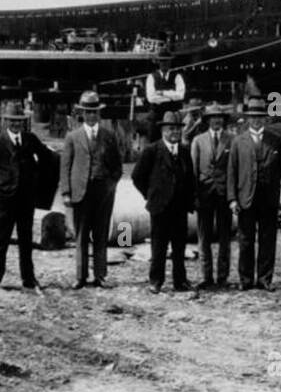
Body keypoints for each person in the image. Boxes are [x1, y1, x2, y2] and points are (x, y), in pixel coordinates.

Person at [0, 102, 51, 291]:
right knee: (0, 239)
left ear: (24, 123)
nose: (16, 125)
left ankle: (28, 278)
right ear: (6, 122)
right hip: (4, 201)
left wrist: (38, 182)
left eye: (19, 121)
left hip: (26, 200)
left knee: (26, 240)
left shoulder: (30, 139)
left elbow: (46, 157)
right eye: (12, 121)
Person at [59, 91, 123, 290]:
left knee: (101, 234)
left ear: (99, 114)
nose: (92, 116)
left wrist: (111, 185)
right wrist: (66, 192)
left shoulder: (109, 136)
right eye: (88, 112)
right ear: (82, 114)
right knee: (81, 235)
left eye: (95, 112)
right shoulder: (73, 136)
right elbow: (65, 166)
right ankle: (80, 276)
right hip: (81, 192)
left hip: (103, 193)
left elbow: (117, 166)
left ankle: (100, 275)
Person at [227, 96, 281, 290]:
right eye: (253, 117)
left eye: (260, 117)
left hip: (268, 199)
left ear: (265, 119)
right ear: (247, 119)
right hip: (246, 198)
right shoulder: (238, 141)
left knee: (267, 240)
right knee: (245, 240)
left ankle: (264, 279)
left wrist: (276, 191)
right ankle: (245, 279)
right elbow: (232, 172)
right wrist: (232, 199)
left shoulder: (275, 140)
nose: (256, 120)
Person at [131, 111, 194, 294]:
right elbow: (137, 176)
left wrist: (189, 200)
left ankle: (180, 281)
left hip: (180, 207)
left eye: (177, 129)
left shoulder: (184, 151)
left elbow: (190, 178)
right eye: (170, 129)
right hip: (159, 207)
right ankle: (156, 280)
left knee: (179, 246)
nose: (174, 132)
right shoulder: (152, 150)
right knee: (158, 245)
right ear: (163, 131)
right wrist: (150, 195)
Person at [189, 102, 233, 291]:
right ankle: (205, 276)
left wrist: (233, 196)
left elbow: (234, 169)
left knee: (225, 237)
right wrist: (195, 195)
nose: (216, 121)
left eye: (220, 118)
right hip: (204, 194)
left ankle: (223, 277)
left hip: (224, 194)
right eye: (213, 118)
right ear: (207, 121)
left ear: (223, 120)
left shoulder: (232, 140)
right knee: (203, 236)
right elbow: (193, 170)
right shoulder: (198, 141)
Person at [144, 53, 185, 136]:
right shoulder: (151, 77)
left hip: (173, 114)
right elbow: (151, 98)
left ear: (170, 62)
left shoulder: (177, 76)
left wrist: (162, 93)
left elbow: (181, 95)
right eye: (162, 61)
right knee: (153, 139)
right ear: (158, 62)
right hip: (156, 115)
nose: (164, 63)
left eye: (166, 61)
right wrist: (172, 96)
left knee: (174, 138)